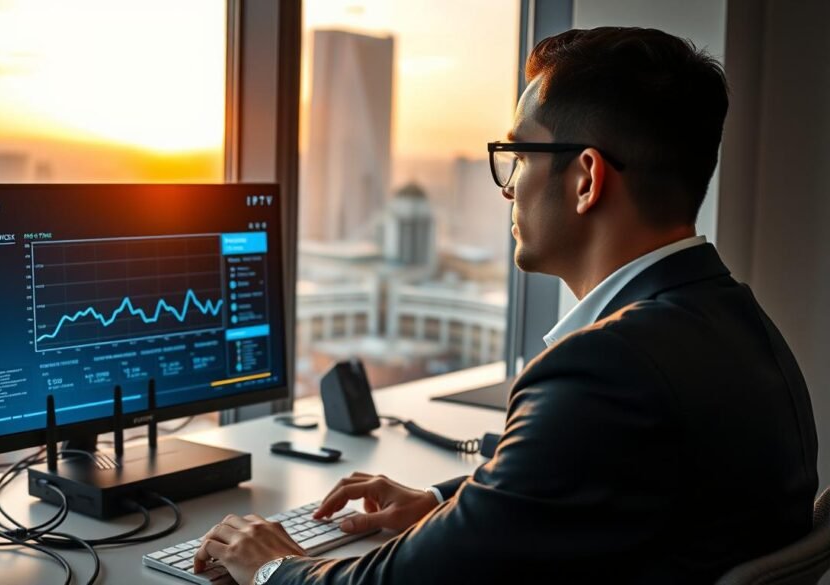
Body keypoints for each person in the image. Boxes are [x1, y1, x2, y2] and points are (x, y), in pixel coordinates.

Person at [193, 26, 819, 584]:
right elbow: (603, 488)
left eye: (520, 155)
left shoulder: (605, 370)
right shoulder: (741, 324)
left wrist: (273, 566)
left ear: (586, 179)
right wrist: (444, 505)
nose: (509, 186)